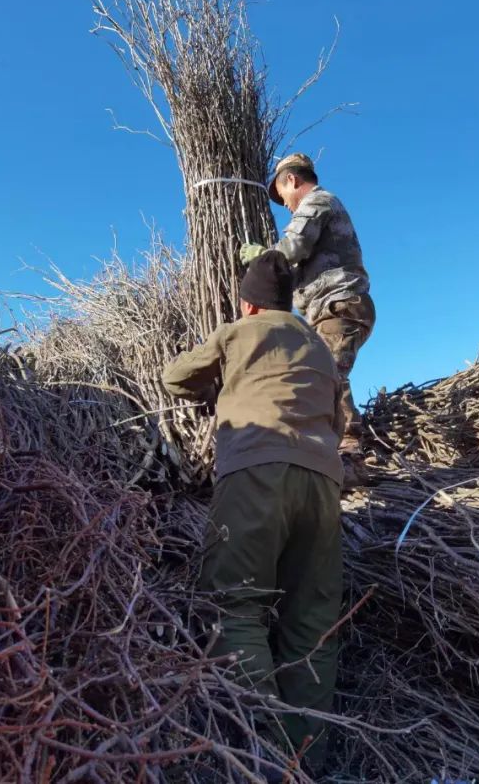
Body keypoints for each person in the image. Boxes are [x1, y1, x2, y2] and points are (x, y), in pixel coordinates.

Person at [162, 250, 344, 773]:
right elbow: (337, 416)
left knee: (235, 606)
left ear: (248, 304)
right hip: (321, 483)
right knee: (312, 622)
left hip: (255, 473)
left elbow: (176, 378)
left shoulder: (238, 333)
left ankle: (263, 756)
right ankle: (307, 760)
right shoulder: (319, 345)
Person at [240, 153, 374, 487]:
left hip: (338, 306)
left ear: (292, 180)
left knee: (328, 378)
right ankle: (336, 456)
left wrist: (264, 257)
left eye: (281, 194)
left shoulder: (317, 202)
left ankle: (350, 459)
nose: (283, 203)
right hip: (332, 310)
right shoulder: (320, 205)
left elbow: (294, 245)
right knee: (327, 376)